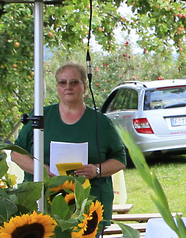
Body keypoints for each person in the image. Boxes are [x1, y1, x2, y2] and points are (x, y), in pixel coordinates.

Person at [11, 62, 127, 222]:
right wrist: (40, 170)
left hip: (88, 207)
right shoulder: (40, 117)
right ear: (57, 87)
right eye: (62, 82)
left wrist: (96, 170)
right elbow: (16, 153)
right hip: (42, 204)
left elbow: (120, 160)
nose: (68, 87)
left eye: (74, 82)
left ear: (85, 87)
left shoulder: (101, 123)